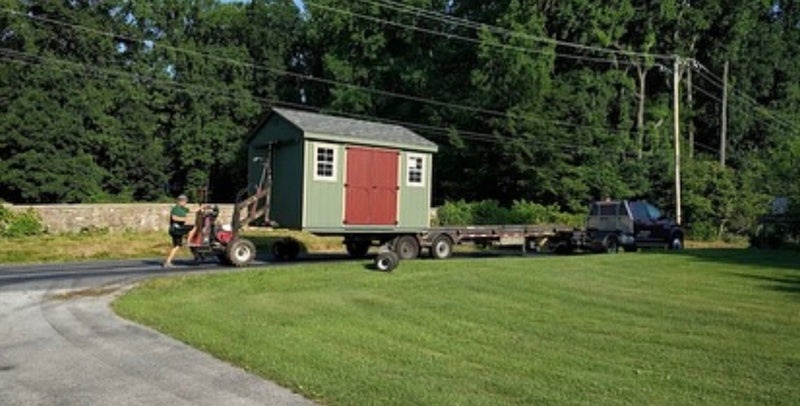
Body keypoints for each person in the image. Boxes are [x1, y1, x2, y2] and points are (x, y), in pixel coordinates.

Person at [162, 194, 198, 268]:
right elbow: (174, 218)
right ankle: (168, 262)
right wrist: (183, 219)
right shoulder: (175, 209)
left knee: (178, 244)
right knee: (177, 245)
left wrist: (201, 208)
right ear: (180, 201)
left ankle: (196, 256)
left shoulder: (183, 209)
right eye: (185, 202)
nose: (185, 203)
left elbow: (193, 210)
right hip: (176, 229)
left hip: (180, 229)